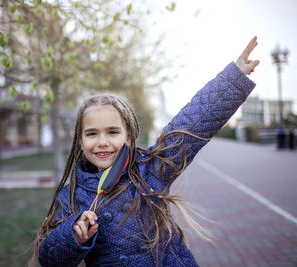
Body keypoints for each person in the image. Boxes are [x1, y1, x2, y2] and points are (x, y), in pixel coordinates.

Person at [31, 37, 260, 266]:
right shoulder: (70, 196)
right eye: (92, 134)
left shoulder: (150, 170)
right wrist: (74, 237)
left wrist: (234, 79)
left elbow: (190, 124)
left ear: (128, 137)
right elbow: (49, 258)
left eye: (112, 132)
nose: (102, 142)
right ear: (80, 141)